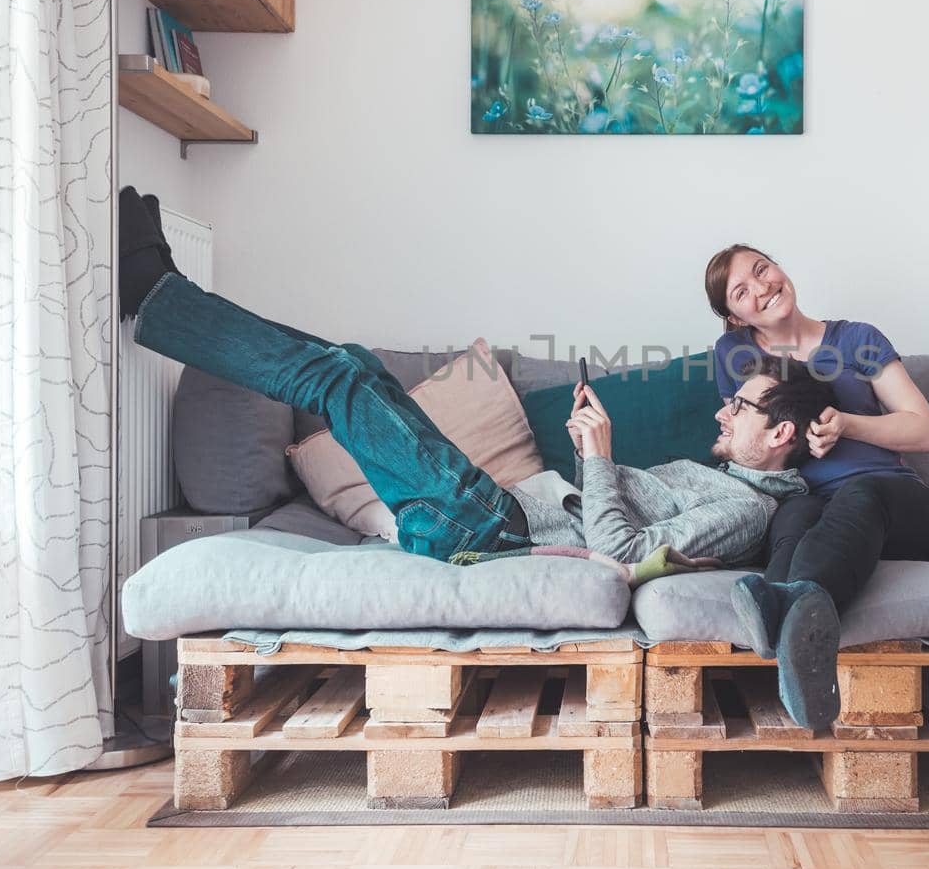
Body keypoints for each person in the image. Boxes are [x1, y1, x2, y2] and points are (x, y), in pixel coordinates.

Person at [118, 190, 838, 636]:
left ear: (778, 436)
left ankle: (159, 295)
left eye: (739, 408)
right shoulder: (728, 478)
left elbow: (622, 556)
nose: (722, 413)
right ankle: (172, 298)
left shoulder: (744, 510)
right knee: (355, 364)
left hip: (485, 528)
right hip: (485, 504)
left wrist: (596, 456)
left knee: (338, 379)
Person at [705, 244, 929, 729]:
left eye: (762, 269)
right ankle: (789, 620)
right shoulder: (734, 353)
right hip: (809, 502)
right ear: (733, 316)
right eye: (741, 290)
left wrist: (848, 425)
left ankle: (797, 605)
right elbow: (748, 442)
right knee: (793, 513)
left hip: (895, 501)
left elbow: (927, 432)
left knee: (861, 494)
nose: (762, 287)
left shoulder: (857, 338)